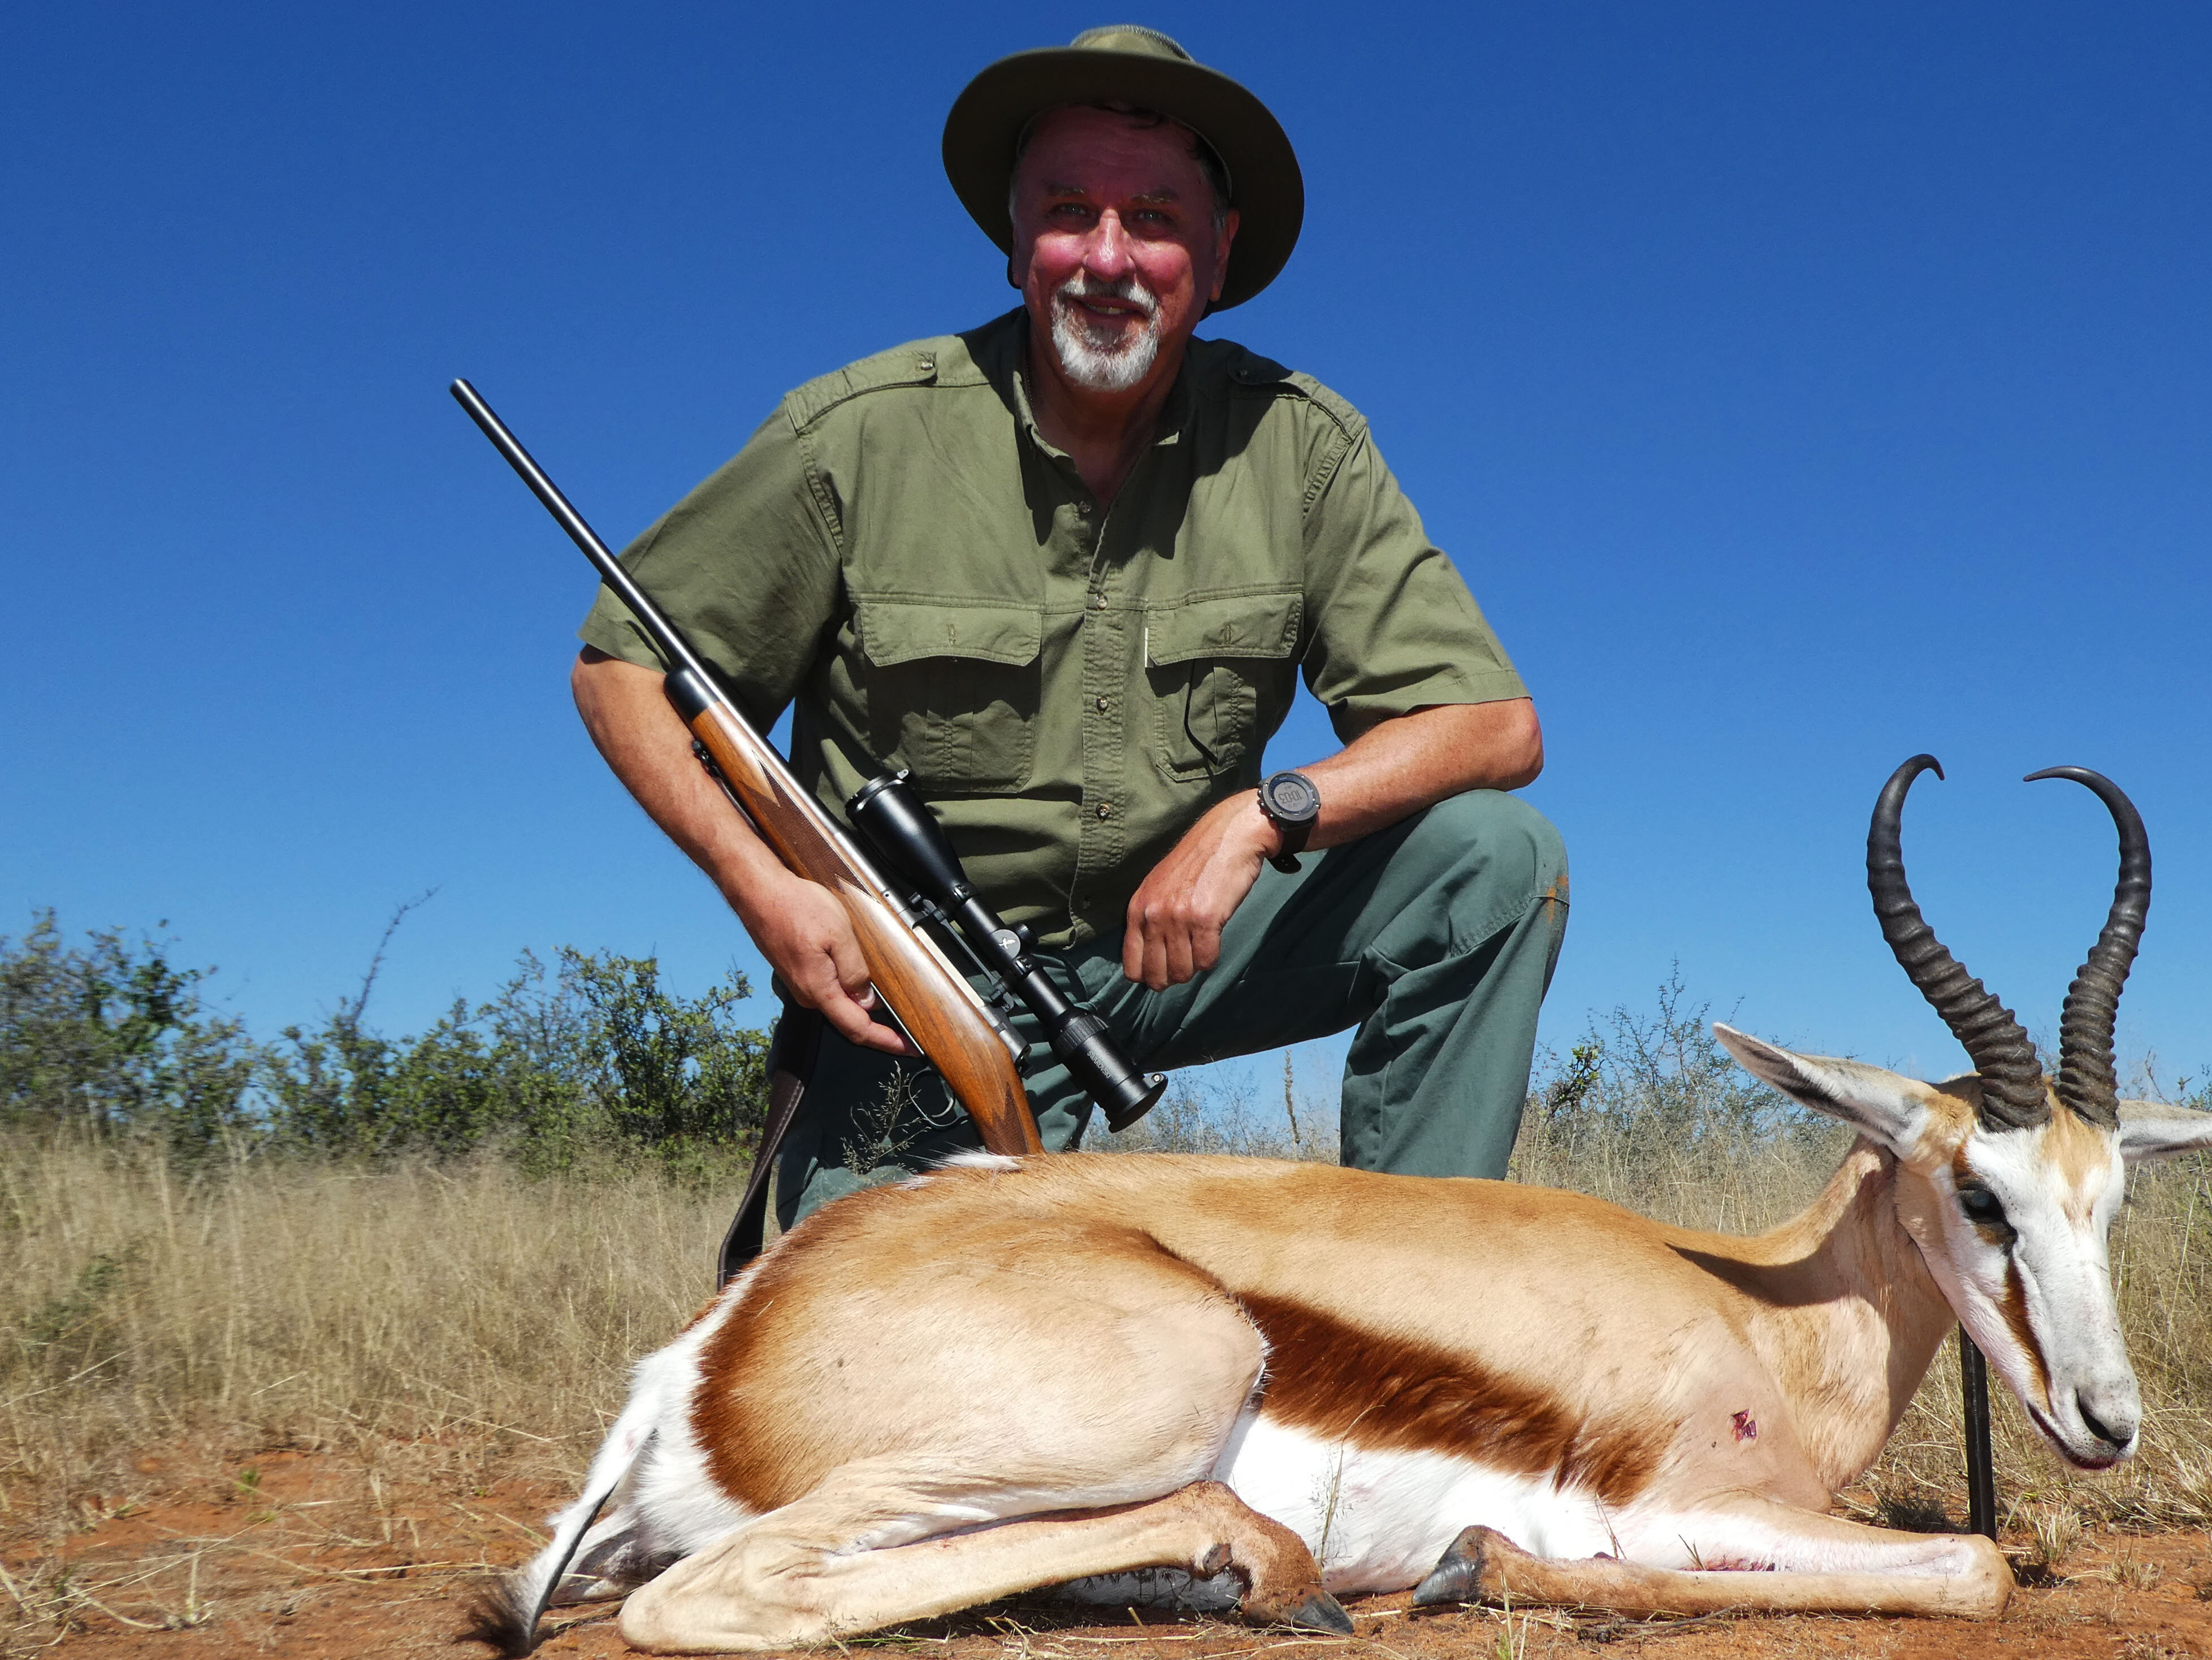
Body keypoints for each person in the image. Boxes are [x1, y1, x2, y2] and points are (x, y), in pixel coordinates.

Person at [569, 26, 1565, 1227]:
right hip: (933, 983)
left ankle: (1421, 1310)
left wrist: (1265, 816)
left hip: (1184, 948)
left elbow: (1495, 727)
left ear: (1218, 247)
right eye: (1067, 211)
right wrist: (766, 888)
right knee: (888, 1351)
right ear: (1011, 243)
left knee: (1496, 861)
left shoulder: (1301, 444)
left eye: (1152, 216)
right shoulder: (855, 434)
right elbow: (623, 672)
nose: (1108, 257)